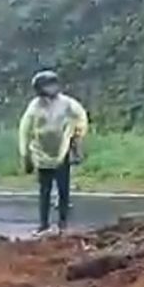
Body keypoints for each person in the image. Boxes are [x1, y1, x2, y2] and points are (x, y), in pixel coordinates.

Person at [18, 69, 88, 234]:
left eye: (54, 84)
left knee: (64, 189)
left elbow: (81, 117)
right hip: (41, 154)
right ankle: (43, 224)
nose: (52, 88)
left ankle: (63, 223)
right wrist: (25, 154)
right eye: (48, 85)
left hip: (61, 152)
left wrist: (77, 137)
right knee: (45, 191)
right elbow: (24, 129)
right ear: (39, 88)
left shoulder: (66, 103)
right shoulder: (34, 107)